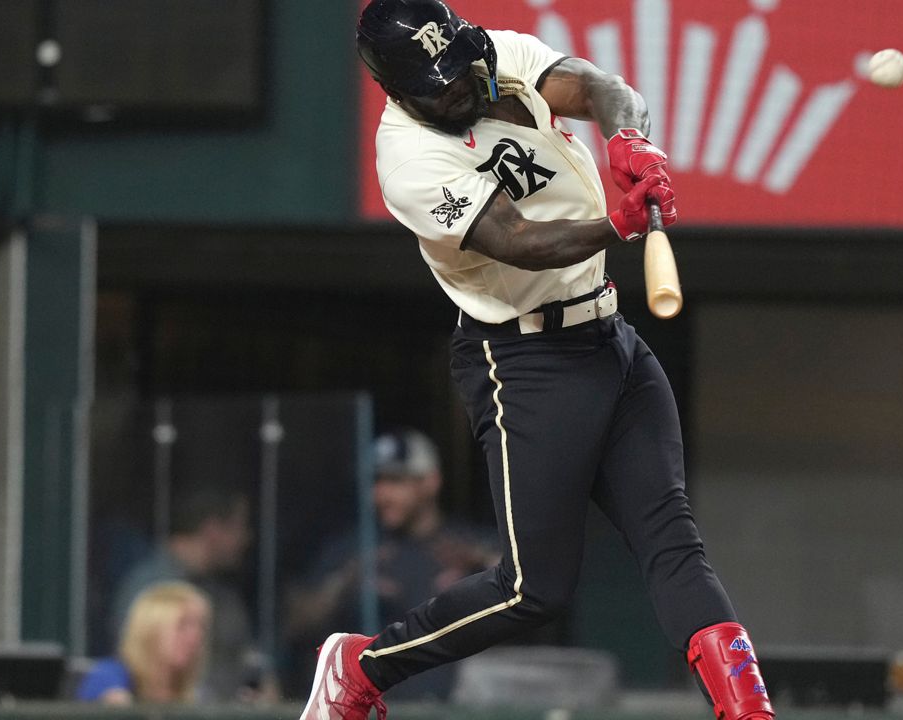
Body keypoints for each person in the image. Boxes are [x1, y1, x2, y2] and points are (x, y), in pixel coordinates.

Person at [297, 2, 775, 719]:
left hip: (608, 334)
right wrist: (620, 221)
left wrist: (629, 142)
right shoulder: (408, 159)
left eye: (459, 63)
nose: (459, 85)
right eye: (438, 81)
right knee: (534, 588)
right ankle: (362, 666)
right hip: (524, 358)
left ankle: (749, 711)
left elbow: (597, 86)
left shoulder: (490, 55)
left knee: (672, 536)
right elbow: (516, 238)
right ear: (396, 89)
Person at [282, 428, 496, 700]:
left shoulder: (466, 546)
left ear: (430, 482)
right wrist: (345, 583)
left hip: (455, 706)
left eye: (395, 480)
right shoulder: (355, 550)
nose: (381, 494)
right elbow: (296, 624)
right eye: (376, 481)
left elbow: (533, 594)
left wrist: (483, 565)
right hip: (374, 707)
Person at [111, 484, 275, 702]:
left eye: (199, 626)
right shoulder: (149, 588)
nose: (246, 538)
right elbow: (131, 662)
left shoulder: (222, 595)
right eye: (239, 527)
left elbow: (249, 661)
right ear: (213, 529)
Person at [77, 581, 211, 704]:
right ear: (150, 630)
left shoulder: (197, 696)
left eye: (200, 626)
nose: (195, 636)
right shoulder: (109, 677)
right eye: (182, 625)